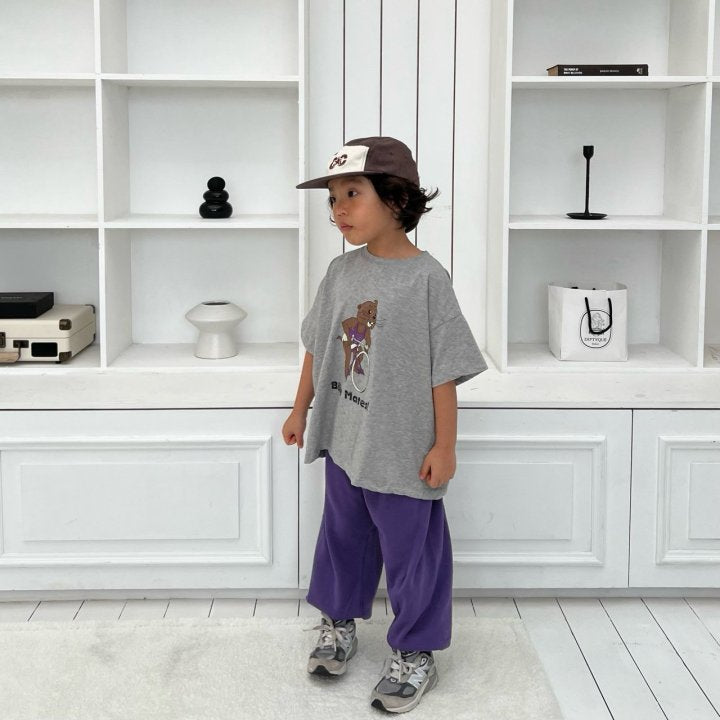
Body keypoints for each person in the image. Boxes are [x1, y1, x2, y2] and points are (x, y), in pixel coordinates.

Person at [282, 136, 488, 714]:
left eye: (352, 194)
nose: (338, 209)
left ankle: (416, 652)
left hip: (402, 447)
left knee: (412, 553)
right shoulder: (340, 272)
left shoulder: (427, 279)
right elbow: (318, 347)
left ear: (396, 200)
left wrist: (445, 446)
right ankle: (338, 623)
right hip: (346, 436)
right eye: (332, 199)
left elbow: (444, 370)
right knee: (341, 537)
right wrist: (300, 409)